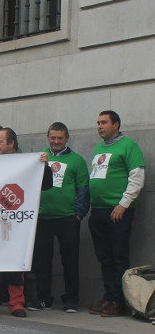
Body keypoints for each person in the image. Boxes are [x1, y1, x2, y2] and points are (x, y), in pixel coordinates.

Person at [0, 127, 52, 318]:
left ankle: (17, 303)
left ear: (12, 144)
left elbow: (46, 184)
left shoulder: (27, 163)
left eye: (0, 142)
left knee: (15, 264)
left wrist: (45, 166)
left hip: (18, 222)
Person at [88, 111, 145, 317]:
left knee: (119, 257)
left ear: (116, 125)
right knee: (105, 258)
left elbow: (137, 177)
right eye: (98, 123)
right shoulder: (98, 147)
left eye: (104, 123)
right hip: (98, 210)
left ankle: (120, 301)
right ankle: (109, 297)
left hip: (117, 211)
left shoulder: (129, 146)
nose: (100, 126)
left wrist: (123, 204)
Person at [28, 122, 89, 313]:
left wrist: (78, 215)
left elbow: (83, 190)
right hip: (43, 218)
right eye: (53, 137)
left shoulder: (77, 160)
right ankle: (43, 298)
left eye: (60, 138)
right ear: (48, 137)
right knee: (42, 261)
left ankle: (71, 300)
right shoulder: (39, 157)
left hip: (67, 218)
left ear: (66, 139)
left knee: (70, 261)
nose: (56, 141)